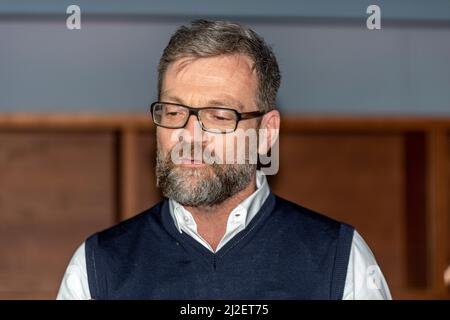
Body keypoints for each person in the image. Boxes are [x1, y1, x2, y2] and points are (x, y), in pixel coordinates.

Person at [57, 19, 391, 300]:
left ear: (267, 132)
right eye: (173, 112)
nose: (189, 135)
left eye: (218, 115)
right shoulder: (97, 266)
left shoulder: (340, 259)